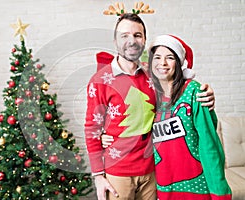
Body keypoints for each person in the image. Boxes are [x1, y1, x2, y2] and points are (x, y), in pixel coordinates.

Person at [84, 13, 215, 200]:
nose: (132, 41)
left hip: (153, 170)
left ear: (144, 40)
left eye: (137, 35)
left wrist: (207, 94)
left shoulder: (153, 73)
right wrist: (98, 176)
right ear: (115, 41)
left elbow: (182, 88)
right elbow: (91, 129)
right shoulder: (100, 81)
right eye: (125, 35)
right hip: (118, 173)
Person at [101, 34, 232, 199]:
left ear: (178, 62)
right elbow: (125, 122)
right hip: (164, 188)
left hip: (197, 187)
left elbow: (209, 145)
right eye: (157, 57)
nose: (162, 63)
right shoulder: (149, 95)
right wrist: (105, 136)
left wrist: (219, 191)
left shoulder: (194, 92)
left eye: (170, 57)